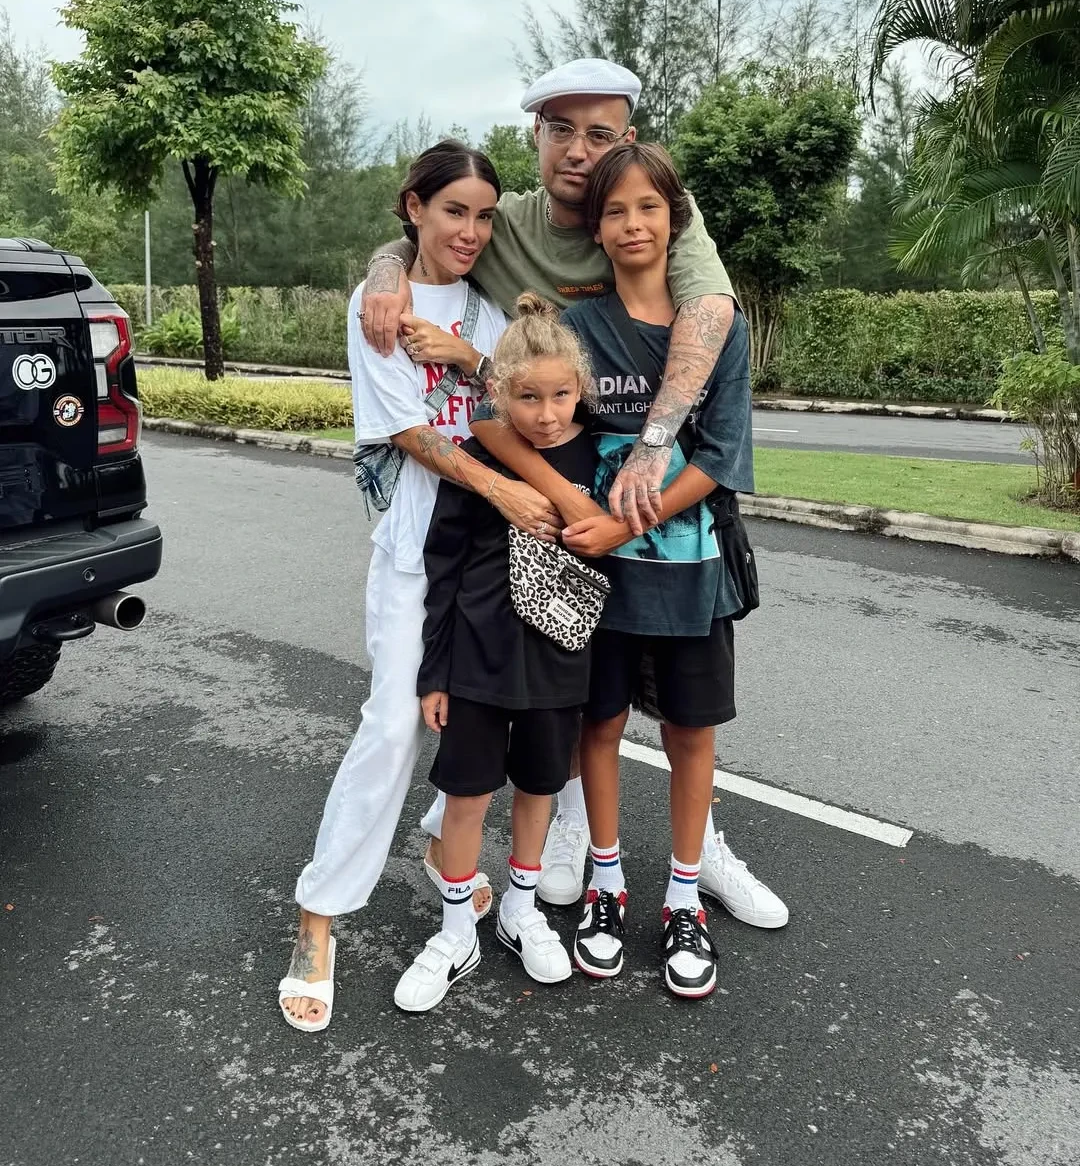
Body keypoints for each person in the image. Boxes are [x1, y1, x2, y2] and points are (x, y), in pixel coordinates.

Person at [365, 58, 787, 931]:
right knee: (580, 703)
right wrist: (385, 269)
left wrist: (648, 464)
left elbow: (711, 328)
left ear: (629, 143)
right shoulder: (513, 228)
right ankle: (575, 839)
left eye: (601, 133)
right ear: (538, 135)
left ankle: (698, 853)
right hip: (575, 535)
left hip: (677, 535)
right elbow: (438, 231)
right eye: (562, 130)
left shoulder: (660, 211)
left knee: (687, 721)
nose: (581, 151)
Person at [278, 142, 565, 1032]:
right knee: (394, 721)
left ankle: (448, 845)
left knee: (488, 710)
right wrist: (502, 489)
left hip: (493, 557)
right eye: (453, 212)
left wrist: (473, 361)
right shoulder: (381, 303)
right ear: (414, 207)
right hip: (418, 544)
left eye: (483, 216)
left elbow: (531, 395)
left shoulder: (490, 307)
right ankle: (319, 914)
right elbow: (407, 428)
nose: (471, 232)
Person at [557, 142, 769, 997]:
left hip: (692, 575)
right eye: (615, 210)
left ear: (674, 220)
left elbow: (719, 457)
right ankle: (605, 884)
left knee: (690, 734)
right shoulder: (578, 328)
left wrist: (622, 521)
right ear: (595, 229)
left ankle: (685, 899)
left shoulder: (719, 327)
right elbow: (545, 430)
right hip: (599, 578)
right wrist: (590, 526)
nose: (632, 224)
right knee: (599, 726)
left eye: (649, 207)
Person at [395, 294, 598, 1013]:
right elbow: (444, 568)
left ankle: (520, 909)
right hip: (477, 664)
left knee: (541, 789)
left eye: (561, 395)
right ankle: (455, 931)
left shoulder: (600, 454)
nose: (546, 414)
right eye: (528, 397)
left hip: (560, 665)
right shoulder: (479, 461)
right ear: (500, 392)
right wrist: (436, 674)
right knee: (467, 796)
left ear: (581, 388)